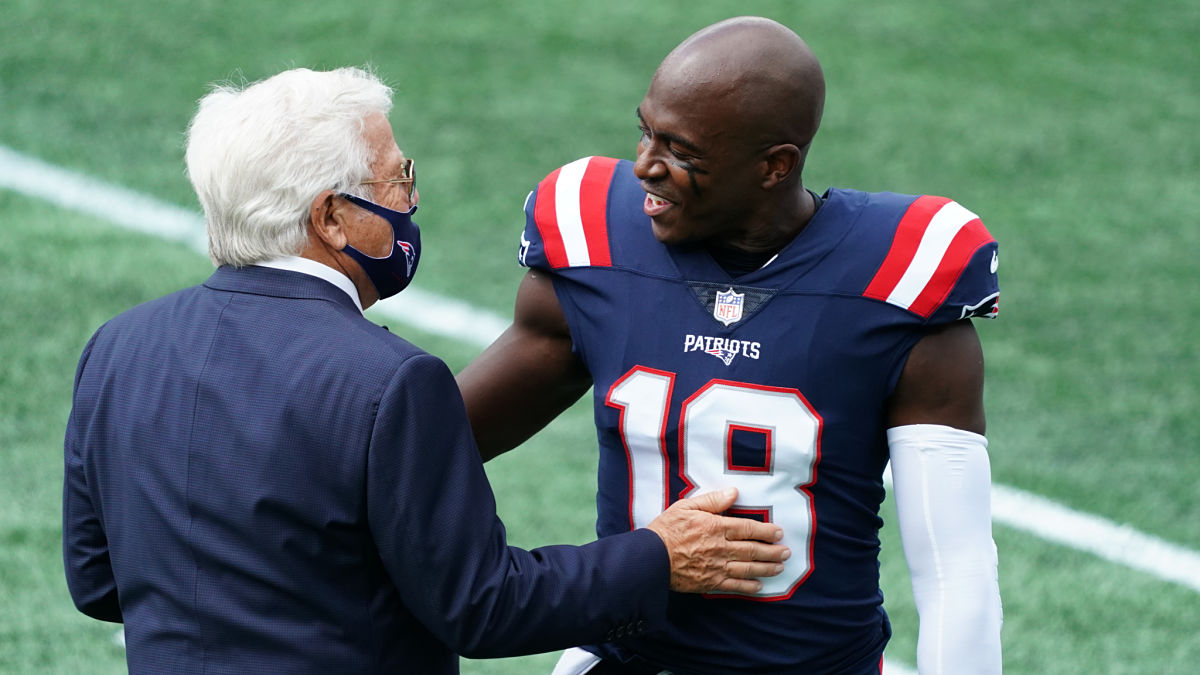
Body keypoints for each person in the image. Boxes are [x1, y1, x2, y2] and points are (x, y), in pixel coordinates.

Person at [62, 66, 791, 674]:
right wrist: (658, 557)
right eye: (395, 178)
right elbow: (481, 605)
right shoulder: (390, 380)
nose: (410, 198)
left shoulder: (118, 346)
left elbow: (98, 580)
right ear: (332, 218)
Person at [457, 17, 1003, 675]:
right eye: (645, 131)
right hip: (629, 658)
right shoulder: (594, 244)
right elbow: (432, 446)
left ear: (775, 165)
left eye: (682, 151)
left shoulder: (902, 279)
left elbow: (956, 573)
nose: (644, 167)